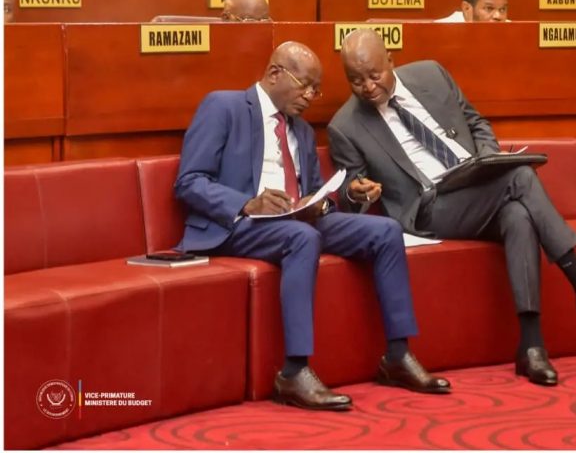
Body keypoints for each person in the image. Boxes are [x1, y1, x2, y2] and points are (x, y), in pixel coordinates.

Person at [327, 30, 576, 387]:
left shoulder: (431, 74)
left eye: (374, 75)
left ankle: (531, 347)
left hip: (477, 183)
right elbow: (349, 190)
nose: (368, 87)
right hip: (429, 207)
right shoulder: (345, 126)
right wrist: (357, 192)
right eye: (356, 81)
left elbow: (476, 122)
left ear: (391, 60)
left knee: (518, 215)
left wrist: (487, 159)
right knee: (521, 177)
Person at [174, 41, 451, 411]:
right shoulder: (224, 107)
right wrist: (246, 203)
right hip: (238, 224)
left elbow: (316, 194)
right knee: (302, 237)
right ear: (275, 74)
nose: (309, 96)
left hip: (293, 223)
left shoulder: (302, 131)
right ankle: (294, 371)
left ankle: (398, 355)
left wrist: (345, 195)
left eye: (315, 90)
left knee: (384, 231)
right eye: (304, 86)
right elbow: (189, 182)